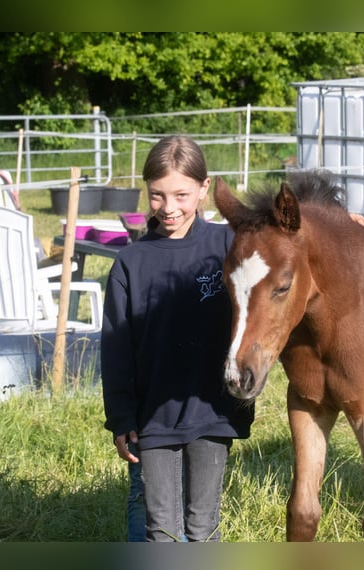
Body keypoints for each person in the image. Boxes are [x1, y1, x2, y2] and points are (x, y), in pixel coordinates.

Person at [101, 135, 254, 542]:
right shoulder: (130, 263)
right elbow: (115, 346)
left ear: (205, 189)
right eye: (157, 196)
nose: (169, 208)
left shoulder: (228, 246)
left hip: (213, 412)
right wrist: (121, 417)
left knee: (203, 528)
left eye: (182, 195)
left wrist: (352, 223)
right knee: (162, 531)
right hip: (152, 417)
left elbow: (285, 248)